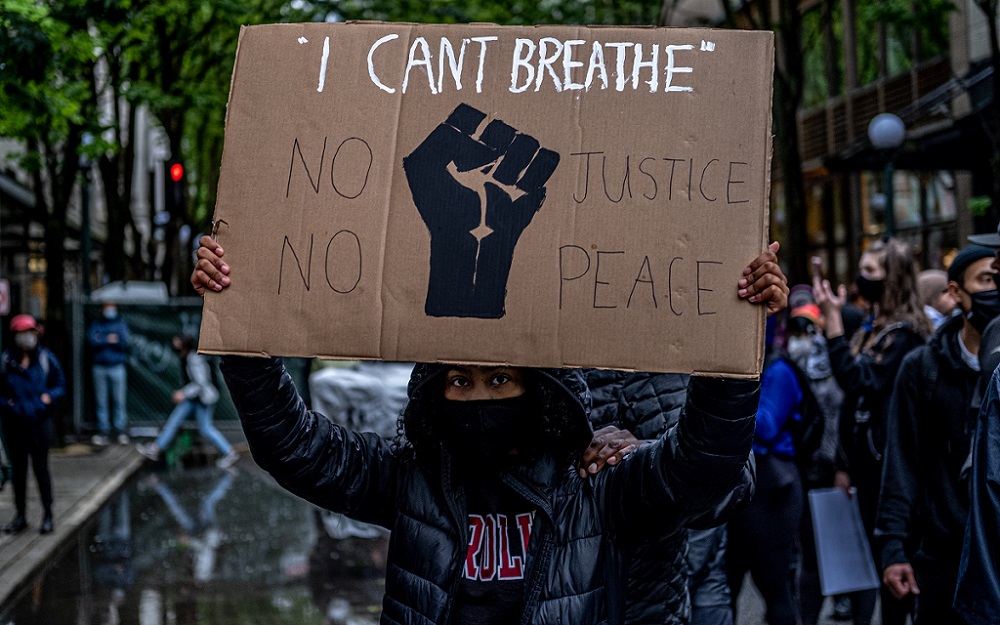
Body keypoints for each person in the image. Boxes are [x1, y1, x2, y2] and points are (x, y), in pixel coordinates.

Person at [191, 234, 788, 624]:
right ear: (435, 391)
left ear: (539, 388)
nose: (478, 397)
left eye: (500, 379)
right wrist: (240, 334)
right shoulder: (415, 477)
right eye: (460, 381)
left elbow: (707, 467)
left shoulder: (596, 480)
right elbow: (294, 447)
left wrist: (731, 344)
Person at [874, 244, 997, 625]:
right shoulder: (923, 367)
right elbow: (902, 461)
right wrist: (893, 547)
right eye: (987, 280)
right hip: (943, 557)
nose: (996, 291)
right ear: (956, 292)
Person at [813, 238, 931, 625]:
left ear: (892, 278)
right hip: (865, 468)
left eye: (870, 272)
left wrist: (832, 322)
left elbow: (860, 381)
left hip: (890, 473)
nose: (862, 279)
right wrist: (844, 462)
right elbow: (854, 408)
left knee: (896, 574)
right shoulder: (875, 328)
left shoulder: (906, 335)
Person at [726, 318, 804, 625]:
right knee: (725, 585)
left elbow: (767, 426)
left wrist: (724, 410)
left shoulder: (778, 369)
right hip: (740, 488)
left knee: (774, 587)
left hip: (773, 491)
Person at [785, 301, 845, 625]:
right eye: (796, 330)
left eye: (808, 330)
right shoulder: (790, 368)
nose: (802, 339)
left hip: (832, 471)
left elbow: (839, 416)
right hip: (803, 468)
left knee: (836, 554)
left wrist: (840, 465)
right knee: (809, 555)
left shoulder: (834, 365)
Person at [0, 313, 66, 534]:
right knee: (18, 471)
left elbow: (59, 385)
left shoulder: (46, 358)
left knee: (41, 469)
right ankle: (21, 516)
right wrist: (9, 405)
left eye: (29, 333)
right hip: (15, 424)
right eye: (21, 334)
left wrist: (47, 398)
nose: (25, 338)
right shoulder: (6, 360)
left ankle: (48, 514)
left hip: (39, 423)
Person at [136, 335, 239, 469]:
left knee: (204, 427)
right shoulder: (187, 357)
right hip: (195, 398)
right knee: (175, 422)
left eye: (178, 340)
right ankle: (155, 448)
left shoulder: (193, 358)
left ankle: (229, 452)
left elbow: (200, 383)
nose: (175, 343)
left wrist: (183, 393)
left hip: (201, 398)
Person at [88, 301, 131, 445]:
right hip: (99, 367)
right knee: (101, 401)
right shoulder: (97, 324)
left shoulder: (120, 324)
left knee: (119, 400)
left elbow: (124, 341)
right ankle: (103, 431)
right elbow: (92, 341)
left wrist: (103, 339)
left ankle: (119, 431)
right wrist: (109, 339)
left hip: (117, 367)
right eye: (107, 308)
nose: (110, 311)